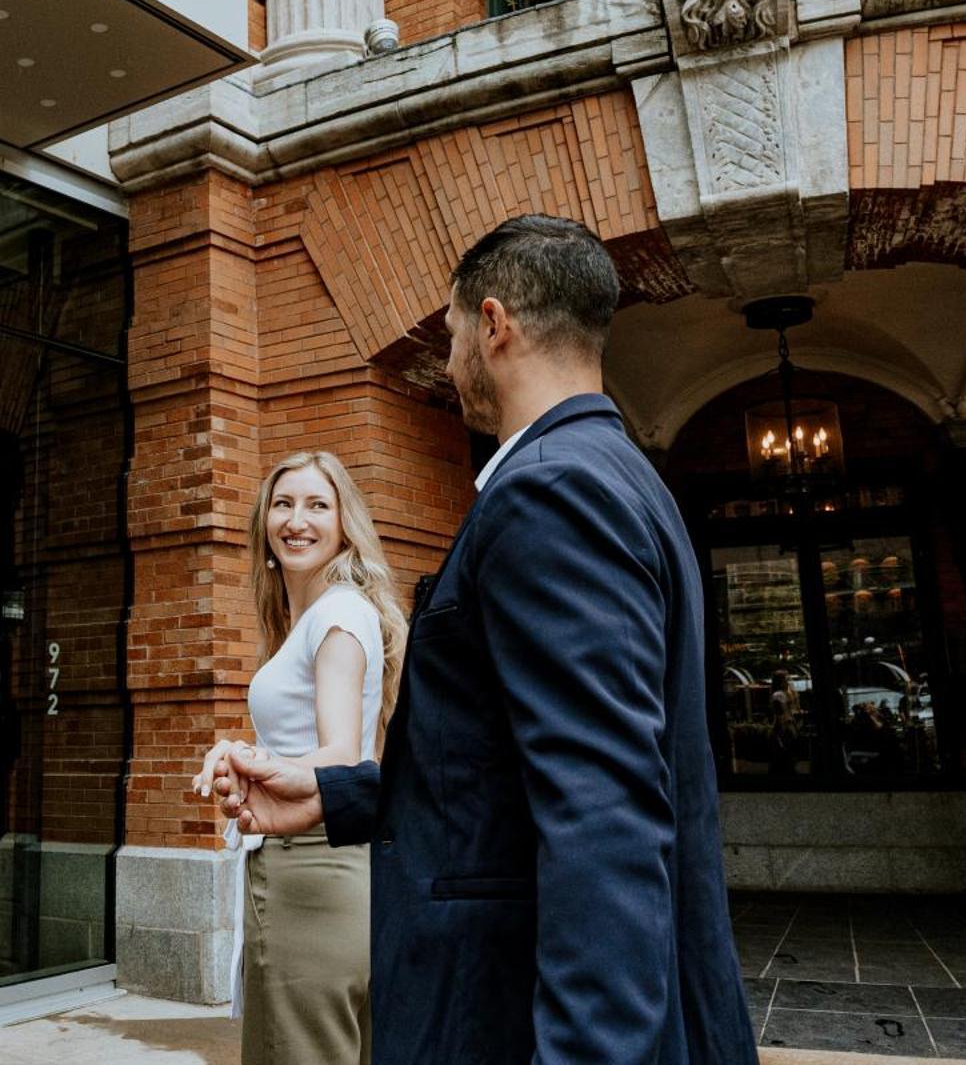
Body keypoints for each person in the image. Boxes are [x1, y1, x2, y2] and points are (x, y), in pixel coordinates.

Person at [210, 214, 758, 1064]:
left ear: (494, 324)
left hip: (507, 1017)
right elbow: (498, 769)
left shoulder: (553, 493)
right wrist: (342, 794)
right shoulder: (618, 473)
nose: (451, 352)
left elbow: (602, 818)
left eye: (454, 327)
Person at [190, 451, 406, 1065]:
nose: (297, 519)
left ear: (344, 524)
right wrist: (252, 754)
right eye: (283, 504)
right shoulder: (324, 616)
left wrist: (247, 761)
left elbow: (339, 752)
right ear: (263, 522)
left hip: (307, 871)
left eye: (318, 504)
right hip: (335, 864)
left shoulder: (335, 615)